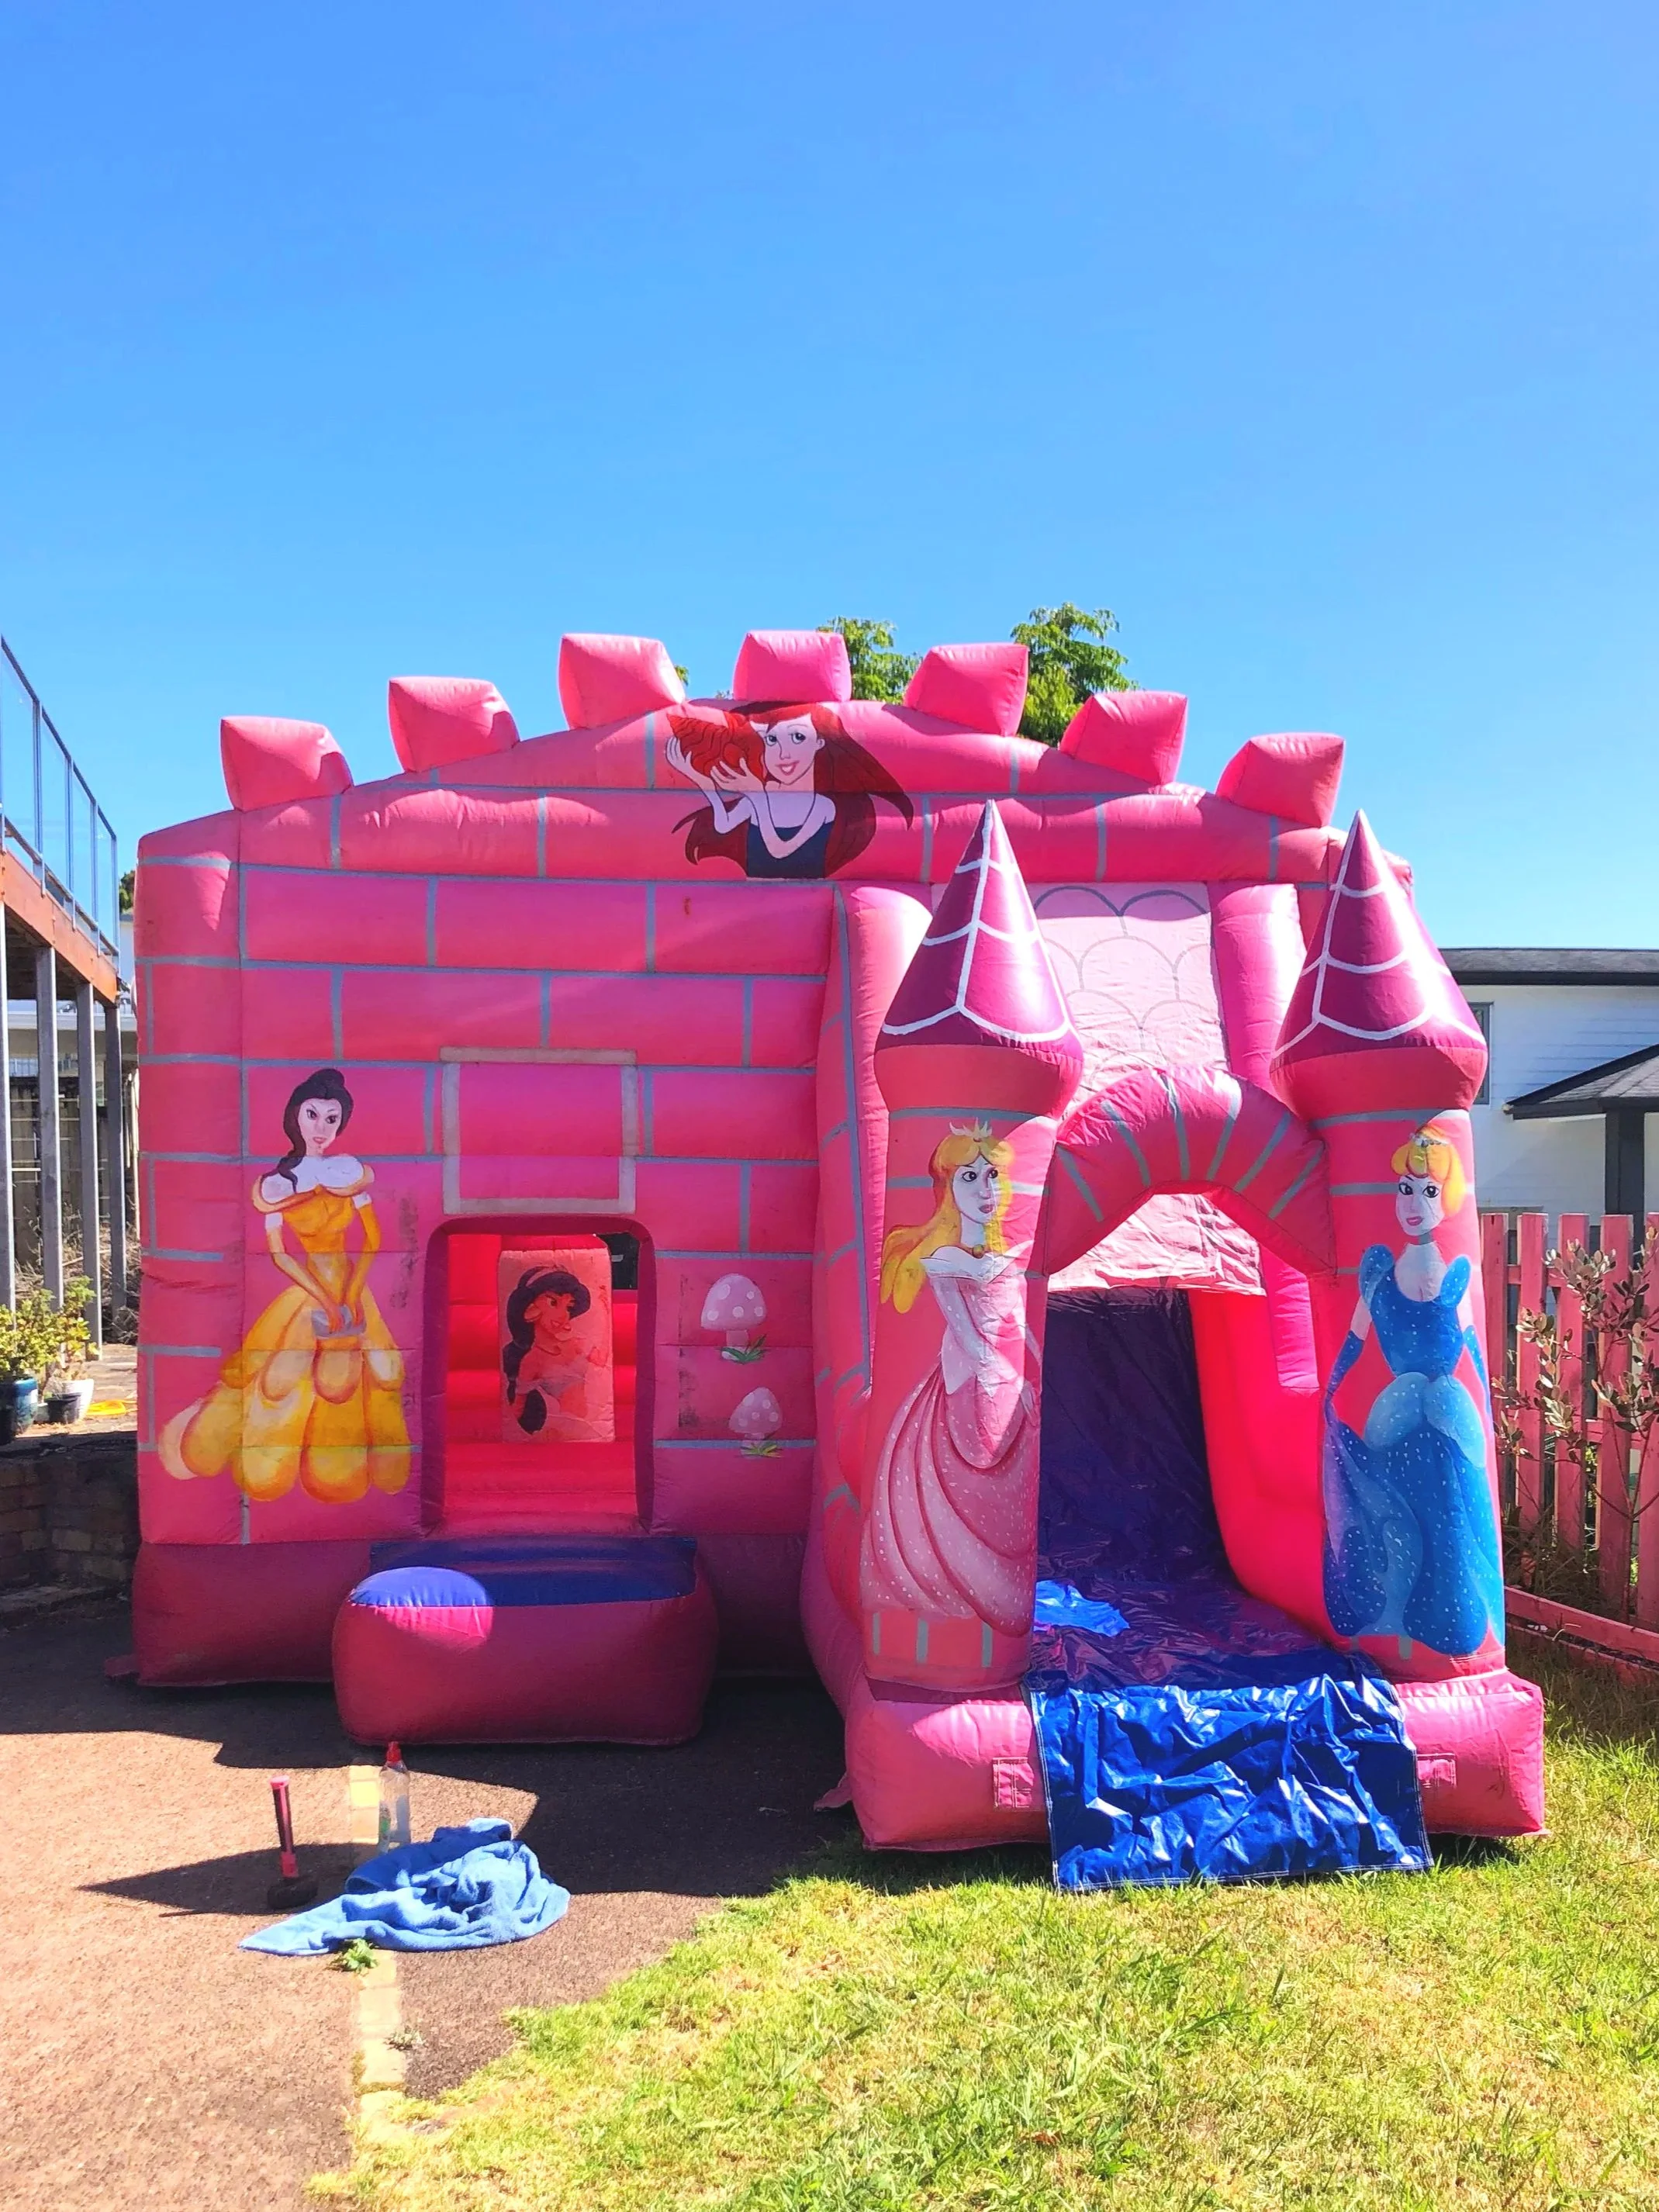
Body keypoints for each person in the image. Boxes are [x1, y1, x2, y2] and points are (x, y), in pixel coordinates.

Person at [159, 1067, 410, 1504]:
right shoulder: (276, 1185)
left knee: (372, 1374)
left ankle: (353, 1466)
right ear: (295, 1115)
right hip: (309, 1287)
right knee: (280, 1376)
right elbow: (279, 1255)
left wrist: (352, 1292)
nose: (321, 1128)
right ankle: (268, 1463)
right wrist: (323, 1298)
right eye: (313, 1115)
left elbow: (373, 1239)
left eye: (332, 1118)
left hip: (350, 1284)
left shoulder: (347, 1172)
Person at [1322, 1123, 1505, 1657]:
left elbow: (1470, 1345)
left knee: (1447, 1518)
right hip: (1395, 1412)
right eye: (1406, 1189)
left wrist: (1484, 1408)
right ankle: (1396, 1626)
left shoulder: (1455, 1274)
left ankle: (1445, 1628)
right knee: (1395, 1512)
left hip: (1444, 1412)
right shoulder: (1378, 1273)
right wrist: (1329, 1395)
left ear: (1447, 1202)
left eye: (1428, 1191)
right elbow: (1355, 1339)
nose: (1414, 1204)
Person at [860, 1122, 1038, 1636]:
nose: (983, 1189)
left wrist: (1028, 1375)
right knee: (950, 1483)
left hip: (1005, 1384)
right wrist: (1005, 1376)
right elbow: (965, 1333)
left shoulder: (1005, 1258)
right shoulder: (945, 1260)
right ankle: (951, 1592)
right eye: (968, 1177)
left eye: (991, 1176)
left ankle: (995, 1586)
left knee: (1003, 1492)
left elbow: (1018, 1324)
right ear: (947, 1189)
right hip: (968, 1384)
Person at [665, 702, 912, 878]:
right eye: (772, 740)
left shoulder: (822, 806)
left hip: (804, 909)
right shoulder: (759, 792)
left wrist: (758, 798)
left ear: (820, 743)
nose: (783, 754)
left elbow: (779, 850)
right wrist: (703, 783)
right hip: (753, 906)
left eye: (798, 737)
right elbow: (723, 825)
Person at [503, 1266, 607, 1440]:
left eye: (568, 1308)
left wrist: (605, 1310)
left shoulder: (575, 1344)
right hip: (558, 1428)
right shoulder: (532, 1360)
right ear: (531, 1309)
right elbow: (518, 1407)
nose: (563, 1315)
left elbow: (601, 1360)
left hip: (588, 1424)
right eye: (553, 1303)